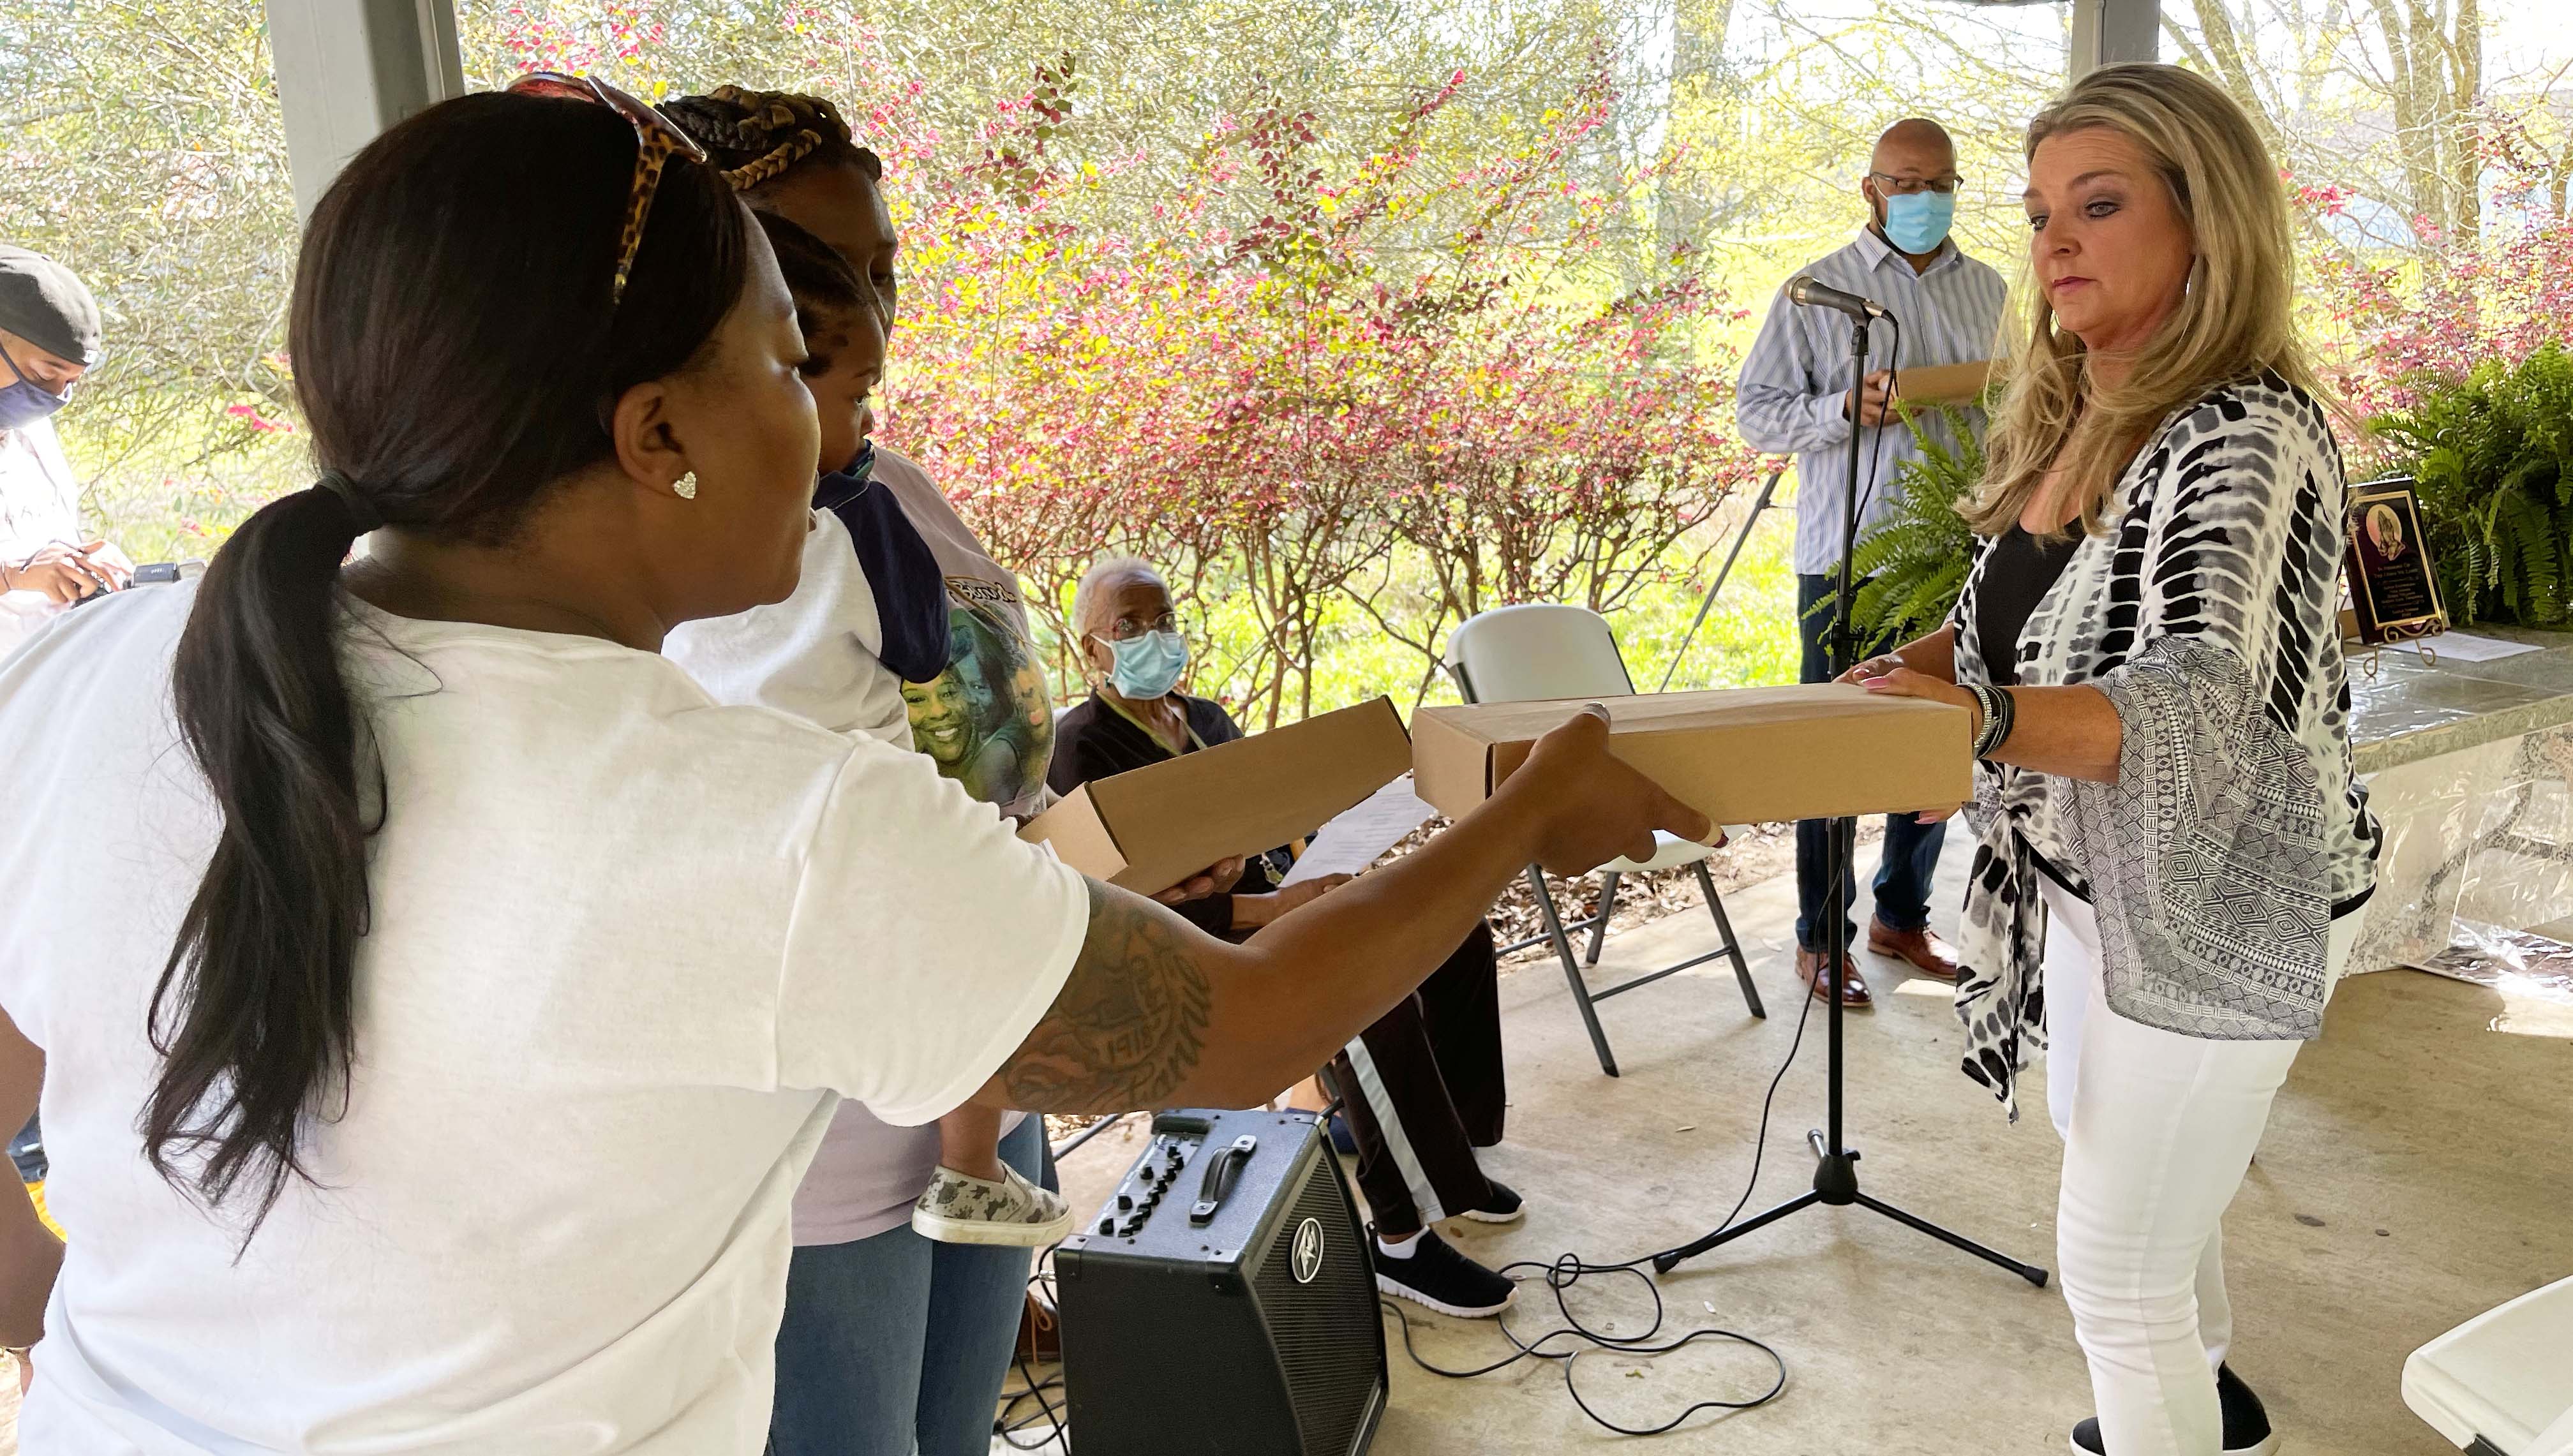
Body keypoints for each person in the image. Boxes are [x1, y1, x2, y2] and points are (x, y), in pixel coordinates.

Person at [0, 81, 1703, 1452]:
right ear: (656, 431)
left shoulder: (93, 669)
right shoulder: (747, 820)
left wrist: (75, 1334)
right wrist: (1537, 805)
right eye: (779, 357)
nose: (833, 399)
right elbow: (1241, 1031)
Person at [1856, 64, 2379, 1456]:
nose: (2054, 242)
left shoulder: (2245, 434)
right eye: (2038, 213)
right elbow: (2012, 619)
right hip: (2093, 883)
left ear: (2206, 225)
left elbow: (2191, 701)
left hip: (2219, 905)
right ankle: (2208, 1409)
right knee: (2147, 1198)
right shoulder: (2094, 408)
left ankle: (2172, 1410)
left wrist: (1969, 733)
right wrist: (1916, 671)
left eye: (2099, 204)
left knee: (2115, 1269)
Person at [651, 90, 1077, 1456]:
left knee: (960, 1430)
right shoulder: (713, 550)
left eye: (882, 271)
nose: (871, 314)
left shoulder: (870, 476)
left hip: (984, 1046)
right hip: (827, 1137)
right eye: (809, 278)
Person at [1050, 556, 1530, 1319]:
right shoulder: (1081, 749)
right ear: (1089, 649)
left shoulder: (1202, 719)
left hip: (1284, 903)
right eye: (1128, 626)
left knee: (1455, 935)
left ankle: (1452, 1153)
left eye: (1163, 619)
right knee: (1362, 993)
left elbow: (1274, 819)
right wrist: (1273, 912)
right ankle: (1401, 1241)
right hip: (1197, 948)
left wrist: (1331, 859)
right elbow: (1121, 903)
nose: (1153, 638)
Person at [1734, 117, 2008, 1007]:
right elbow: (1759, 415)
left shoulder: (1993, 290)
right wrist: (1846, 408)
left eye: (1940, 183)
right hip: (1847, 559)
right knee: (1838, 751)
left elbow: (2016, 406)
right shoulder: (1817, 293)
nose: (1923, 199)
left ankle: (1902, 912)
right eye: (1905, 182)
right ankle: (1822, 936)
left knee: (1935, 739)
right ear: (1871, 189)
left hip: (1952, 560)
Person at [1, 246, 133, 659]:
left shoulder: (31, 429)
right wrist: (13, 576)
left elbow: (41, 543)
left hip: (45, 682)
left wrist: (83, 562)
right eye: (44, 374)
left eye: (71, 382)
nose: (55, 398)